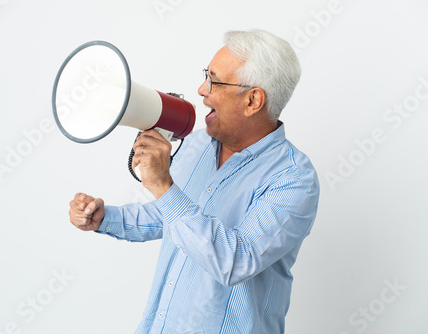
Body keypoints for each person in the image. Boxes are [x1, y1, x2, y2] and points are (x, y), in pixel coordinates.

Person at [69, 29, 319, 334]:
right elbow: (170, 217)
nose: (202, 89)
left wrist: (163, 185)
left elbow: (235, 262)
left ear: (253, 100)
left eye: (214, 79)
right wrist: (106, 217)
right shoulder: (199, 144)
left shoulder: (294, 179)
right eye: (206, 75)